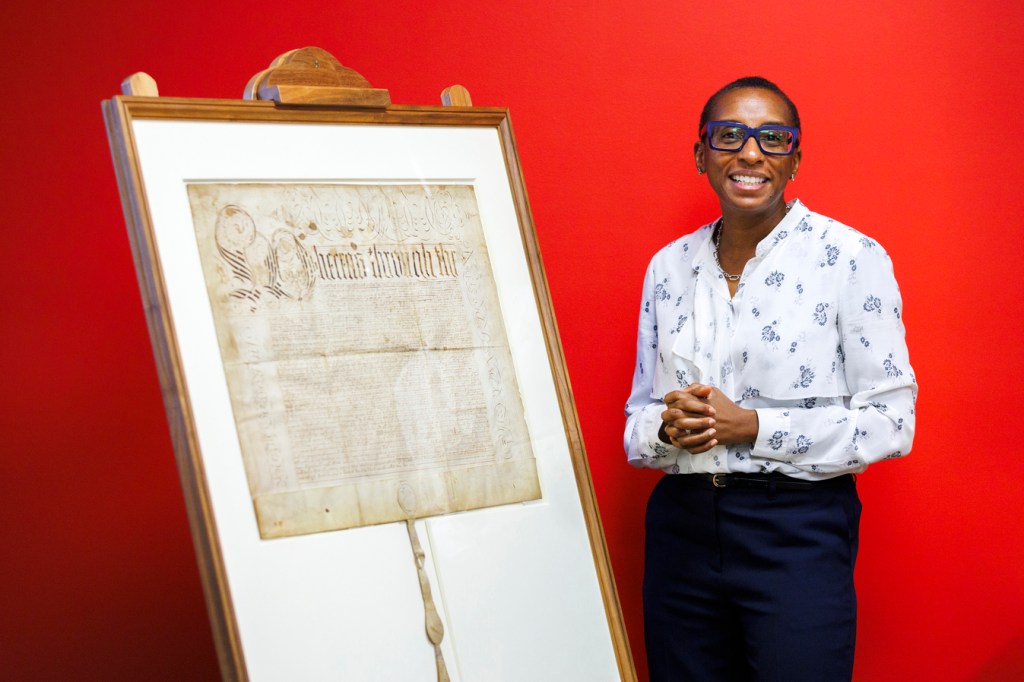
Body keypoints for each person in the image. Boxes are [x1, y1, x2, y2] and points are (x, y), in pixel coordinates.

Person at [624, 76, 916, 681]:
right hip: (681, 530)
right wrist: (669, 430)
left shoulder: (852, 258)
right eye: (728, 135)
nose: (750, 153)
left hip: (797, 532)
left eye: (772, 139)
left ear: (796, 159)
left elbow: (893, 422)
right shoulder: (667, 267)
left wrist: (752, 426)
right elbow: (636, 425)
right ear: (701, 154)